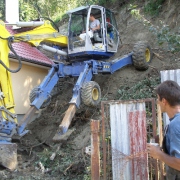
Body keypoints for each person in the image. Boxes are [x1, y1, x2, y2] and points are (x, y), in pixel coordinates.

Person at [147, 80, 180, 179]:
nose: (157, 102)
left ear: (164, 101)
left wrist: (158, 154)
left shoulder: (175, 125)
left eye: (158, 99)